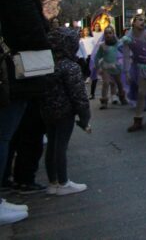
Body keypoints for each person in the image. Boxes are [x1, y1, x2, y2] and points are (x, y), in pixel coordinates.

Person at [0, 0, 47, 224]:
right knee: (3, 135)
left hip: (17, 68)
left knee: (7, 133)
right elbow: (29, 26)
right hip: (10, 68)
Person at [40, 29, 90, 195]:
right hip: (64, 111)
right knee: (61, 146)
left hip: (47, 110)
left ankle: (53, 182)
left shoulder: (47, 63)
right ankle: (63, 182)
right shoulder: (70, 66)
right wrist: (84, 117)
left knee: (52, 145)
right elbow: (79, 95)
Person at [89, 26, 126, 109]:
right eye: (106, 33)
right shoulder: (102, 45)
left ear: (113, 34)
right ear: (104, 35)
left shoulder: (118, 43)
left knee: (119, 83)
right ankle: (104, 101)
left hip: (116, 66)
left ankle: (122, 97)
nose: (108, 35)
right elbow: (97, 56)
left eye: (110, 33)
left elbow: (124, 52)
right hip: (106, 66)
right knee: (105, 83)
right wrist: (97, 66)